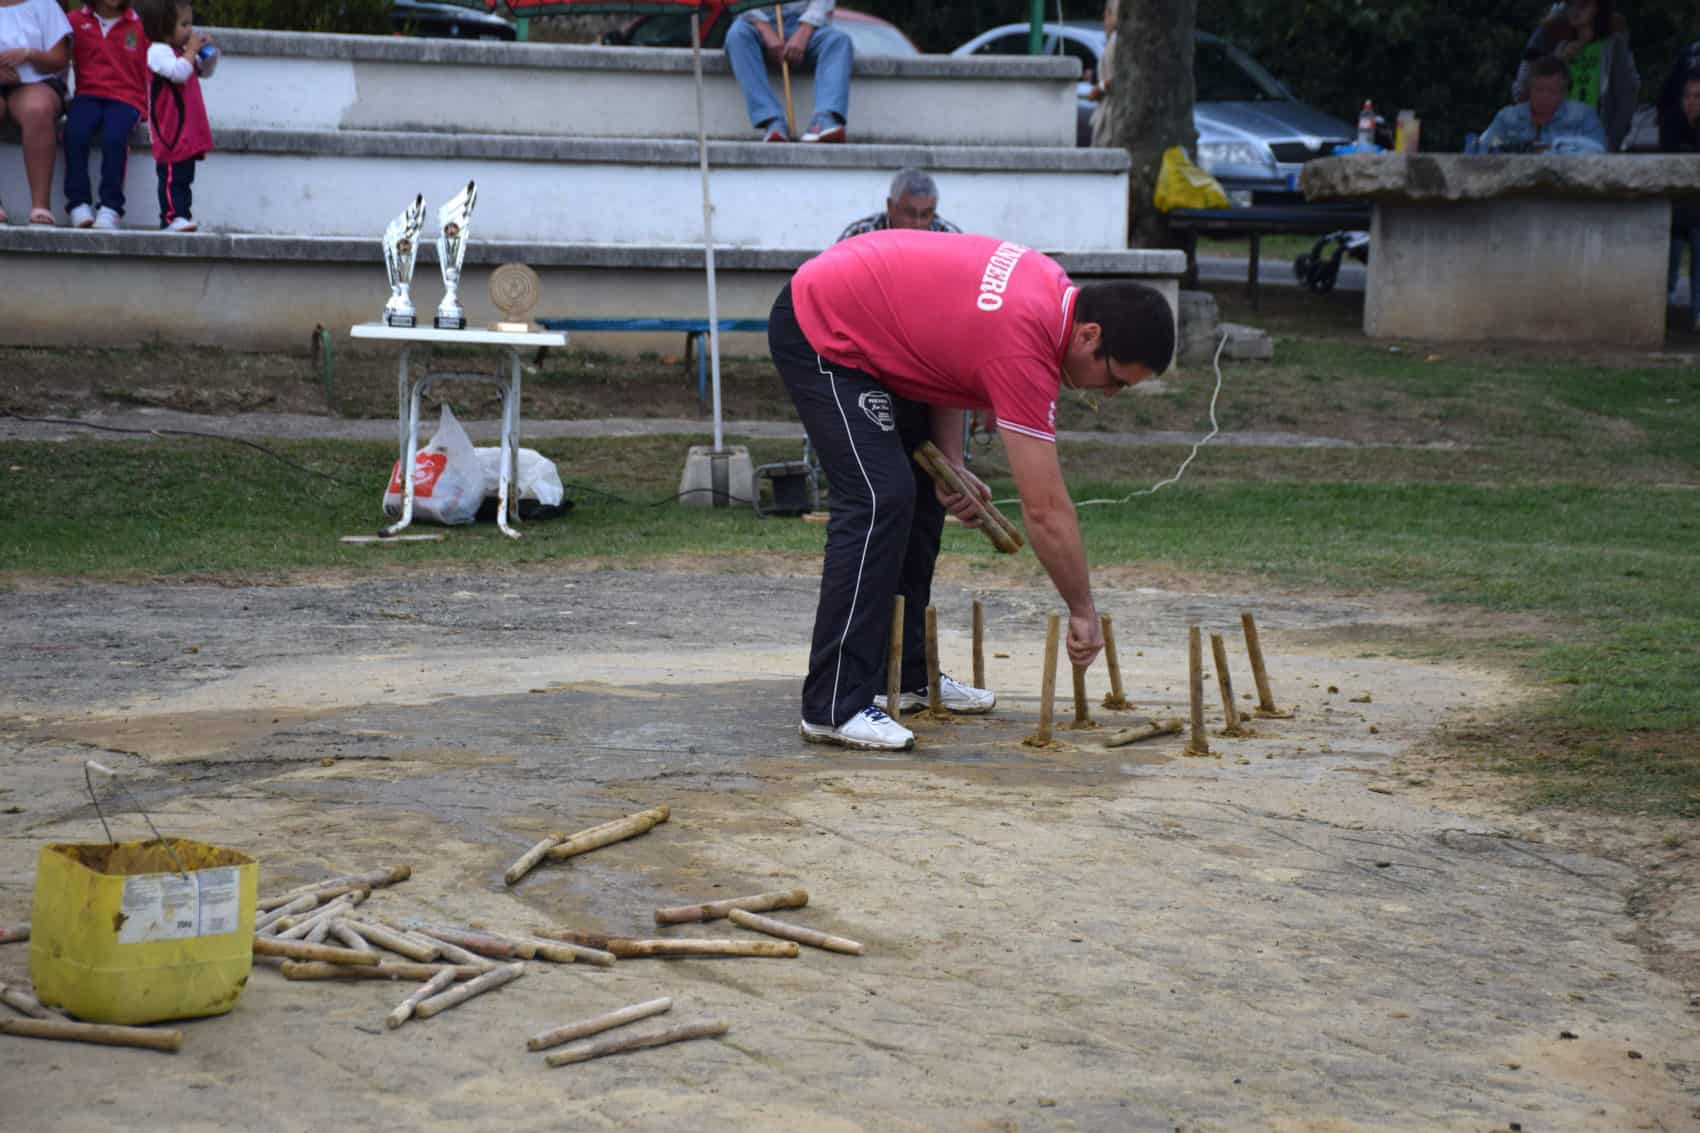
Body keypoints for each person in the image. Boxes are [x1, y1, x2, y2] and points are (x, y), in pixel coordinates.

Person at [769, 229, 1175, 751]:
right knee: (879, 498)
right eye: (1116, 379)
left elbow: (950, 356)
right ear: (1090, 336)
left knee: (920, 490)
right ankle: (832, 705)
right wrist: (1083, 610)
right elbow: (1046, 509)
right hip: (822, 324)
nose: (1112, 395)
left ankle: (906, 675)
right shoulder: (1026, 345)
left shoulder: (1051, 293)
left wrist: (953, 463)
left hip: (878, 325)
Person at [63, 0, 150, 229]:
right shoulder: (74, 21)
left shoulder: (141, 25)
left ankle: (110, 207)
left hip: (127, 98)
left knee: (114, 136)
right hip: (88, 95)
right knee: (75, 132)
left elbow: (169, 49)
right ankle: (78, 204)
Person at [1512, 0, 1637, 152]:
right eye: (1570, 4)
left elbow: (1626, 97)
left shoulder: (1613, 46)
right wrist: (1558, 61)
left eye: (1583, 5)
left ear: (1598, 9)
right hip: (1557, 141)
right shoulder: (1556, 44)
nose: (1575, 10)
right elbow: (1526, 92)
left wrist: (1612, 140)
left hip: (1596, 140)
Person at [724, 1, 851, 143]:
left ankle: (825, 119)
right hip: (754, 21)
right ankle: (772, 120)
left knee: (838, 41)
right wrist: (764, 28)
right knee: (737, 36)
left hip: (805, 21)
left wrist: (806, 29)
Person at [137, 0, 213, 232]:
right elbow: (178, 73)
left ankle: (182, 214)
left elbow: (205, 71)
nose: (190, 30)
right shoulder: (157, 52)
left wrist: (208, 54)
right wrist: (190, 52)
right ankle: (170, 217)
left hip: (187, 128)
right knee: (171, 176)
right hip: (170, 129)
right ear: (163, 26)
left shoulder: (181, 52)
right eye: (184, 24)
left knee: (184, 176)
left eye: (191, 23)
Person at [0, 0, 73, 225]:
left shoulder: (45, 5)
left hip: (36, 83)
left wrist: (29, 54)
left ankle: (41, 206)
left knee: (37, 109)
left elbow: (60, 60)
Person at [1482, 55, 1606, 154]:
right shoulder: (1507, 117)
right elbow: (1481, 149)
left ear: (1565, 93)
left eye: (1553, 91)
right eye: (1539, 89)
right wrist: (1522, 149)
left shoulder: (1583, 115)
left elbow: (1600, 151)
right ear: (1528, 88)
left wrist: (1553, 148)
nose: (1545, 97)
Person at [1661, 70, 1700, 333]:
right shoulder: (1672, 121)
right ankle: (1659, 313)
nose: (1692, 102)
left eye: (1698, 96)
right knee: (1669, 253)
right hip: (1674, 207)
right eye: (1687, 95)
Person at [837, 168, 962, 242]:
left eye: (926, 214)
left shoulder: (950, 238)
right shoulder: (859, 235)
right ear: (890, 207)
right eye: (910, 213)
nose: (918, 223)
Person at [1088, 0, 1119, 148]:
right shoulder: (1114, 40)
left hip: (1111, 114)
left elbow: (1116, 78)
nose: (1104, 19)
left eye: (1108, 13)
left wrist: (1098, 89)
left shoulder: (1116, 41)